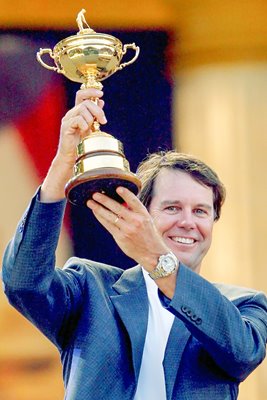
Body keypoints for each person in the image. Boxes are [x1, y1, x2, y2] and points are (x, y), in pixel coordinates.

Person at [2, 88, 267, 400]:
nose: (187, 222)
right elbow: (23, 282)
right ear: (142, 213)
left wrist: (158, 260)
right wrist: (64, 163)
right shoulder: (90, 289)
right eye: (171, 208)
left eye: (200, 211)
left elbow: (241, 353)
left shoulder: (243, 306)